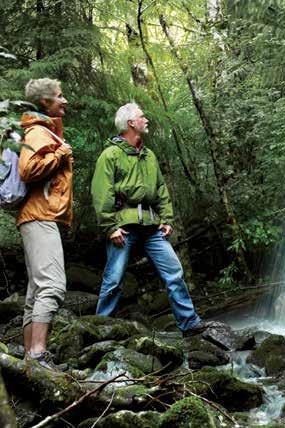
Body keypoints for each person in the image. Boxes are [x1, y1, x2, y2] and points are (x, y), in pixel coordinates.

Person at [91, 102, 209, 337]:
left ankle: (189, 323)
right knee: (114, 278)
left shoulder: (149, 155)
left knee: (174, 271)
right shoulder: (110, 155)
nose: (147, 120)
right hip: (123, 227)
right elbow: (101, 193)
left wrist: (167, 220)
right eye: (142, 117)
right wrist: (110, 227)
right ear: (130, 123)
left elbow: (161, 189)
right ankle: (98, 329)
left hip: (152, 226)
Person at [17, 78, 72, 369]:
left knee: (36, 291)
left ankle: (30, 359)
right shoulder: (38, 131)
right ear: (45, 103)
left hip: (36, 216)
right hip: (40, 216)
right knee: (52, 286)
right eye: (60, 97)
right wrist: (61, 152)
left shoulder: (42, 130)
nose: (65, 101)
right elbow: (28, 169)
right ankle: (38, 354)